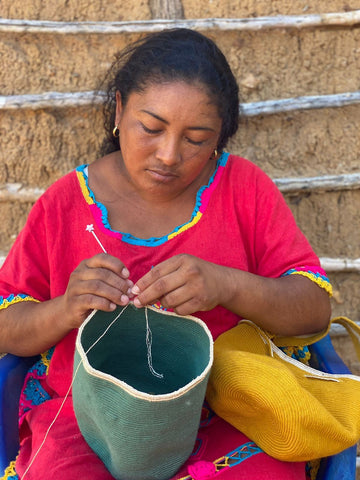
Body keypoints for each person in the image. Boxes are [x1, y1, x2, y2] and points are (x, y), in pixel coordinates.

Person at [0, 28, 332, 480]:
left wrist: (227, 284)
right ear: (119, 110)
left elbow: (313, 314)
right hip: (88, 417)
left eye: (196, 138)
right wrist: (65, 308)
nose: (169, 155)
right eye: (151, 128)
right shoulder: (65, 204)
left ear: (220, 137)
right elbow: (6, 326)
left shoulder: (243, 189)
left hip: (225, 410)